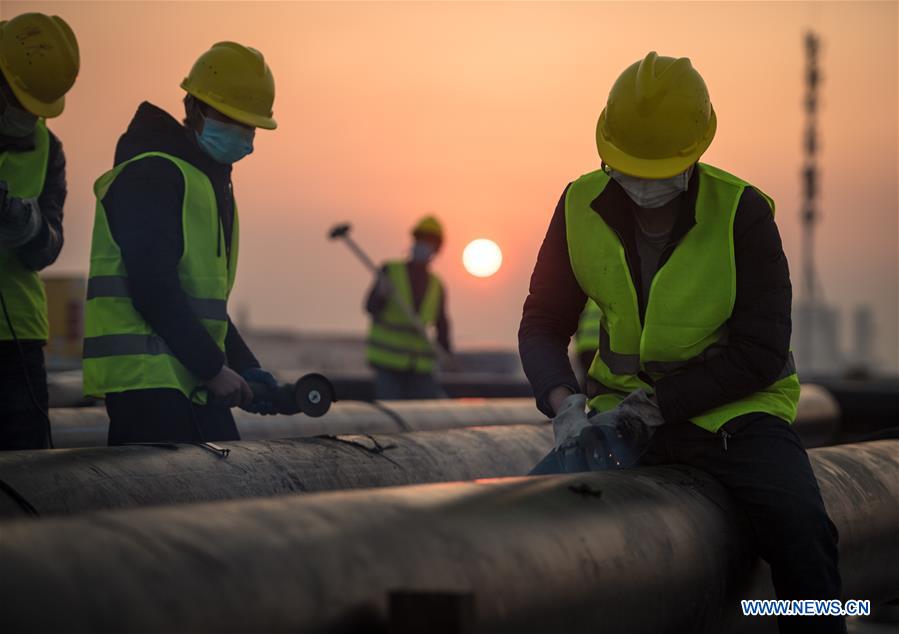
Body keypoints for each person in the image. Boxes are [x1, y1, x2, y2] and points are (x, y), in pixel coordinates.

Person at [519, 52, 843, 633]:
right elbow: (542, 322)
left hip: (734, 419)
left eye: (656, 167)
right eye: (630, 167)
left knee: (802, 530)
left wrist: (657, 407)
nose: (643, 183)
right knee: (520, 529)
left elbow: (760, 350)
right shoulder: (578, 205)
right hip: (617, 421)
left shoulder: (741, 212)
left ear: (697, 151)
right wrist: (563, 402)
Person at [83, 42, 280, 445]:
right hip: (149, 386)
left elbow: (200, 303)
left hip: (186, 379)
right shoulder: (152, 174)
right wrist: (212, 367)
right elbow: (153, 287)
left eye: (248, 124)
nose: (242, 133)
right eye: (230, 118)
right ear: (194, 108)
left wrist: (244, 365)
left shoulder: (205, 182)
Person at [0, 13, 79, 450]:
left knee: (28, 481)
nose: (29, 116)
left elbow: (49, 245)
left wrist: (25, 225)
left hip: (17, 345)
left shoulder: (48, 149)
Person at [364, 216, 453, 399]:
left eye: (429, 242)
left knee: (424, 418)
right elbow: (370, 307)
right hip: (388, 363)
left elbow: (442, 324)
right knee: (392, 418)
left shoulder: (437, 285)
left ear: (437, 249)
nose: (424, 246)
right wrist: (380, 295)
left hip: (420, 366)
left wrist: (448, 356)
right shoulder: (390, 271)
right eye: (421, 240)